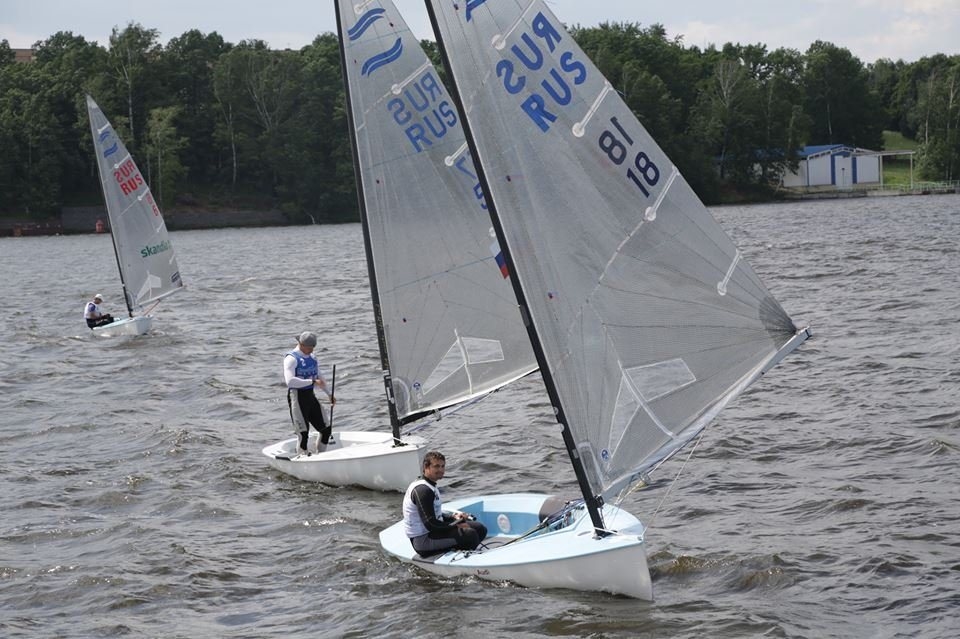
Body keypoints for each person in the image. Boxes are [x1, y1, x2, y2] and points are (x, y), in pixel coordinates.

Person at [403, 451, 487, 557]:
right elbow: (430, 524)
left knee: (479, 528)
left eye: (443, 466)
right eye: (436, 466)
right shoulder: (423, 490)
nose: (441, 470)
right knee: (470, 534)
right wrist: (455, 525)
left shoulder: (430, 485)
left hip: (433, 532)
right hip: (423, 540)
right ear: (426, 467)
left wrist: (453, 517)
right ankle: (466, 558)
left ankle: (460, 549)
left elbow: (435, 513)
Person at [283, 331, 335, 456]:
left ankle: (321, 456)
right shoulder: (291, 359)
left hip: (310, 396)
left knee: (326, 430)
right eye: (310, 347)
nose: (312, 350)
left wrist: (329, 394)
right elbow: (290, 381)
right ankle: (302, 457)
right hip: (297, 397)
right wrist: (311, 381)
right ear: (301, 344)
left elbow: (320, 377)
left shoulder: (312, 358)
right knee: (303, 434)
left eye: (313, 347)